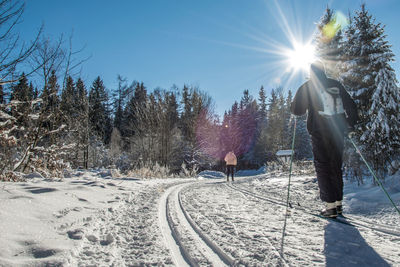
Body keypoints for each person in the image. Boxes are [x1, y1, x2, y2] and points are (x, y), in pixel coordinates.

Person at [291, 61, 358, 218]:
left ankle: (330, 207)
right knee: (336, 165)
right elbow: (351, 105)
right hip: (338, 131)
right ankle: (338, 204)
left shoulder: (308, 86)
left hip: (319, 131)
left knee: (323, 166)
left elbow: (297, 110)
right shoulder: (336, 84)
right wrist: (350, 124)